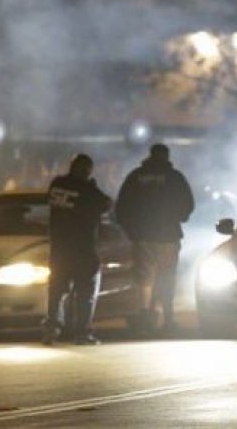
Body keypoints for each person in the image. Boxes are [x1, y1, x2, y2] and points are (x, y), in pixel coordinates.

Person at [115, 143, 194, 334]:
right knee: (167, 276)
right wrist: (179, 217)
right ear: (166, 157)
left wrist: (131, 231)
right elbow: (188, 203)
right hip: (168, 237)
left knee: (144, 278)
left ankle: (145, 317)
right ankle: (168, 319)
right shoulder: (175, 178)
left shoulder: (135, 177)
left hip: (142, 237)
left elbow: (122, 206)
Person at [42, 153, 112, 346]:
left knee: (57, 291)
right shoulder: (87, 190)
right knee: (86, 291)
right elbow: (106, 203)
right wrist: (93, 186)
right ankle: (82, 333)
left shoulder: (57, 185)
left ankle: (51, 331)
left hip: (59, 249)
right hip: (83, 249)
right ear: (88, 171)